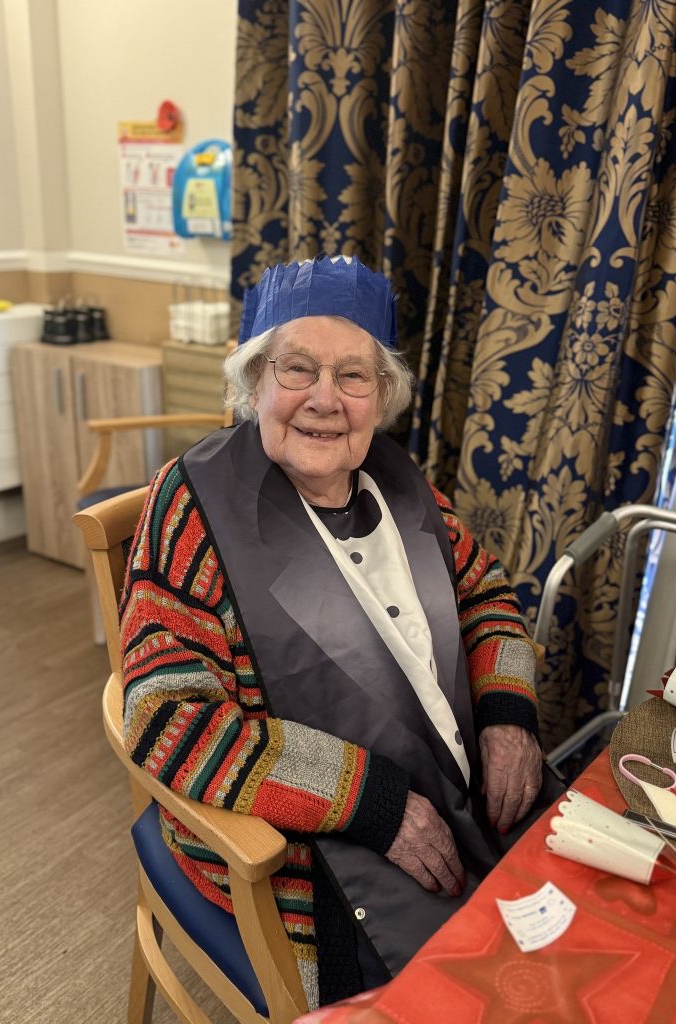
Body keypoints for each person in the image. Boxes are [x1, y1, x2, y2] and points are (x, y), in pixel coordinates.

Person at [119, 255, 545, 1010]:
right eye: (297, 368)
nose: (324, 399)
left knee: (575, 948)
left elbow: (486, 595)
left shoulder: (399, 479)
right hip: (301, 844)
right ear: (254, 384)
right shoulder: (194, 504)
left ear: (380, 398)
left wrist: (508, 717)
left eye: (353, 376)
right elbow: (165, 717)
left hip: (457, 790)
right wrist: (372, 802)